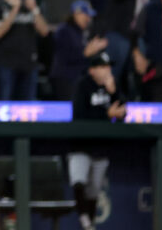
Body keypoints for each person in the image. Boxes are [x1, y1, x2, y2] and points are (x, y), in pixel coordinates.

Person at [69, 52, 126, 230]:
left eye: (108, 66)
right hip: (81, 145)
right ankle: (85, 220)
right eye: (102, 66)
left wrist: (114, 92)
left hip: (101, 147)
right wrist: (107, 115)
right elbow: (79, 116)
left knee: (93, 191)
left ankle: (89, 224)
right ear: (92, 70)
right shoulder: (83, 85)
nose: (107, 70)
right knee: (78, 181)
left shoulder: (112, 86)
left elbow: (124, 111)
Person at [50, 1, 107, 101]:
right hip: (65, 79)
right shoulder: (64, 30)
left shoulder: (81, 32)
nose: (89, 19)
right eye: (86, 15)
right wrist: (85, 52)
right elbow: (64, 56)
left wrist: (91, 51)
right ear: (77, 13)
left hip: (77, 78)